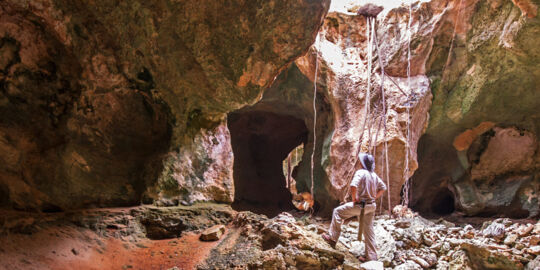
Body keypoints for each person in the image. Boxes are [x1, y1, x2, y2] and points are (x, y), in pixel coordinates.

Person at [322, 153, 387, 262]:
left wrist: (354, 198)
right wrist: (375, 196)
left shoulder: (361, 172)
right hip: (371, 206)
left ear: (363, 163)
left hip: (361, 205)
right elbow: (383, 187)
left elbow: (353, 185)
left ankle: (332, 238)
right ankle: (372, 257)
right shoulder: (374, 175)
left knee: (338, 212)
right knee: (369, 230)